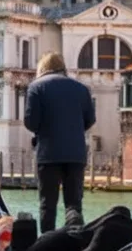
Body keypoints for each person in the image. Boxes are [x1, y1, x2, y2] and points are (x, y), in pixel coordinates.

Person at [24, 52, 95, 234]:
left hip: (48, 155)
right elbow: (90, 120)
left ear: (42, 68)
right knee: (73, 204)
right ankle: (75, 245)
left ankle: (47, 247)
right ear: (62, 67)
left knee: (48, 204)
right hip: (76, 154)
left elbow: (31, 122)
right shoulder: (81, 88)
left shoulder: (36, 87)